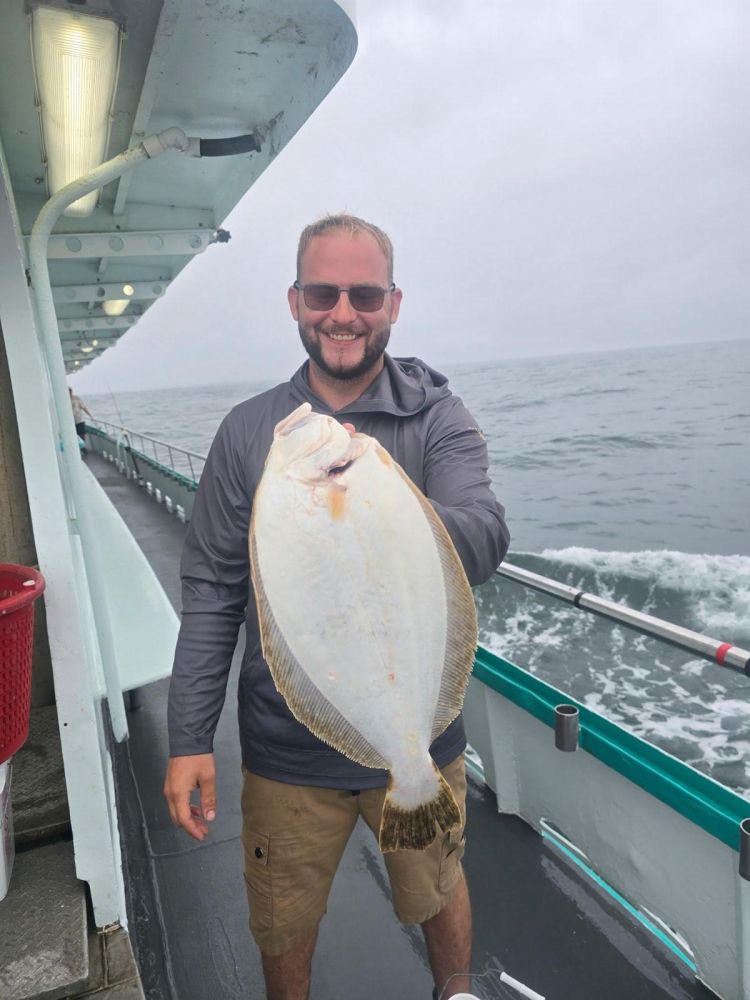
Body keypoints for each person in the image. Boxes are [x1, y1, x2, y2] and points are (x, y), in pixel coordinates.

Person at [163, 214, 510, 1000]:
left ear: (393, 304)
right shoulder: (249, 432)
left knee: (438, 884)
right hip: (287, 752)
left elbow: (485, 539)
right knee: (283, 921)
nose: (342, 312)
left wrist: (382, 497)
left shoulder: (437, 419)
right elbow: (214, 592)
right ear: (294, 301)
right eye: (324, 293)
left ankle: (455, 990)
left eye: (363, 294)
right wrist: (188, 738)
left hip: (418, 737)